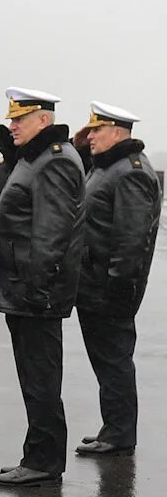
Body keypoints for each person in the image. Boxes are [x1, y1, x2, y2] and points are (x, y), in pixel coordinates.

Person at [0, 88, 85, 487]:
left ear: (43, 120)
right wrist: (13, 156)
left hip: (35, 293)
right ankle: (37, 455)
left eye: (18, 120)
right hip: (26, 289)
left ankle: (44, 462)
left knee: (41, 377)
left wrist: (38, 288)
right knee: (34, 377)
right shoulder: (40, 158)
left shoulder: (56, 161)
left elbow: (52, 233)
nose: (12, 126)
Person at [72, 102, 159, 457]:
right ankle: (114, 427)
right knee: (106, 361)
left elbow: (131, 239)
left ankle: (121, 434)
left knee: (115, 361)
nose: (90, 135)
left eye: (97, 130)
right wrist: (81, 145)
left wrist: (118, 289)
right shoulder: (108, 167)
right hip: (93, 283)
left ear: (119, 132)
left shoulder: (131, 172)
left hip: (110, 289)